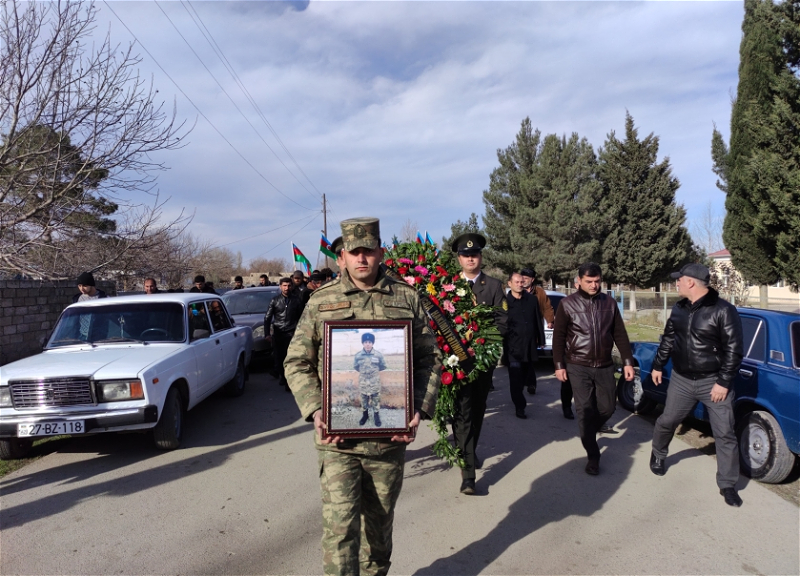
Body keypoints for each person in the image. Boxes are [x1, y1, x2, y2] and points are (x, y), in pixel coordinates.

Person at [284, 216, 440, 576]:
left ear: (380, 252)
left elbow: (429, 359)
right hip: (337, 440)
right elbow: (296, 362)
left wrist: (417, 409)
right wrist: (315, 410)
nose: (361, 259)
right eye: (354, 252)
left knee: (379, 534)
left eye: (368, 250)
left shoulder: (406, 298)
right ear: (342, 258)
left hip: (388, 441)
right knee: (340, 533)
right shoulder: (321, 301)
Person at [649, 263, 744, 507]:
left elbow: (734, 350)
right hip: (681, 380)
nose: (676, 283)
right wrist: (658, 365)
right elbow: (669, 338)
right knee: (667, 420)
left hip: (713, 382)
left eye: (679, 280)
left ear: (690, 282)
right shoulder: (679, 308)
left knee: (724, 432)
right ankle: (658, 454)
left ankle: (727, 484)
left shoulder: (724, 310)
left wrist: (723, 382)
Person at [552, 262, 634, 476]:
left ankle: (590, 430)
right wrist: (559, 365)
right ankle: (593, 455)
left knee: (608, 408)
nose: (594, 285)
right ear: (578, 281)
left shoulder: (609, 303)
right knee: (585, 410)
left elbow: (620, 335)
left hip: (605, 365)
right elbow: (559, 337)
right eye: (589, 281)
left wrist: (627, 362)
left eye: (597, 281)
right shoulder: (567, 304)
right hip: (578, 365)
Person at [449, 232, 507, 495]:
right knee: (461, 412)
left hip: (482, 363)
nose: (470, 258)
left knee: (478, 410)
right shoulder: (447, 286)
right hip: (454, 364)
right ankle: (468, 474)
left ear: (481, 257)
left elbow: (502, 323)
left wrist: (483, 348)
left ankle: (467, 450)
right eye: (465, 255)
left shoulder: (493, 286)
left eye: (474, 254)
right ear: (459, 258)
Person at [504, 272, 545, 419]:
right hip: (512, 348)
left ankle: (519, 394)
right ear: (510, 284)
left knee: (524, 376)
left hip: (528, 346)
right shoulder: (504, 303)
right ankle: (519, 406)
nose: (520, 284)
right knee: (515, 377)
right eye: (517, 282)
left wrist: (541, 339)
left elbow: (537, 319)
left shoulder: (532, 300)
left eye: (522, 282)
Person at [519, 267, 554, 394]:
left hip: (533, 329)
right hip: (518, 331)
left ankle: (531, 384)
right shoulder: (517, 290)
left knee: (529, 358)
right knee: (520, 358)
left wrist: (550, 320)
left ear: (532, 280)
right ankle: (522, 382)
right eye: (522, 278)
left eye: (526, 278)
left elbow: (547, 307)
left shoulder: (539, 292)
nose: (523, 280)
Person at [264, 277, 304, 390]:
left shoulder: (296, 300)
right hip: (279, 333)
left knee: (290, 357)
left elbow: (302, 317)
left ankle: (288, 381)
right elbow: (267, 318)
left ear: (291, 286)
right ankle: (283, 376)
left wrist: (301, 332)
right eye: (284, 286)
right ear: (280, 286)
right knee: (279, 358)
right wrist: (267, 333)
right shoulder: (275, 300)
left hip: (292, 333)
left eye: (288, 286)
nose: (286, 288)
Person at [354, 332, 388, 427]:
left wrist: (373, 373)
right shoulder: (358, 356)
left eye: (369, 342)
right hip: (363, 383)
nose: (367, 344)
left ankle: (376, 416)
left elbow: (383, 366)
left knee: (376, 401)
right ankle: (365, 416)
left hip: (374, 383)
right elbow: (356, 367)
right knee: (364, 401)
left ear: (372, 343)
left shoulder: (378, 355)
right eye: (365, 342)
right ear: (363, 343)